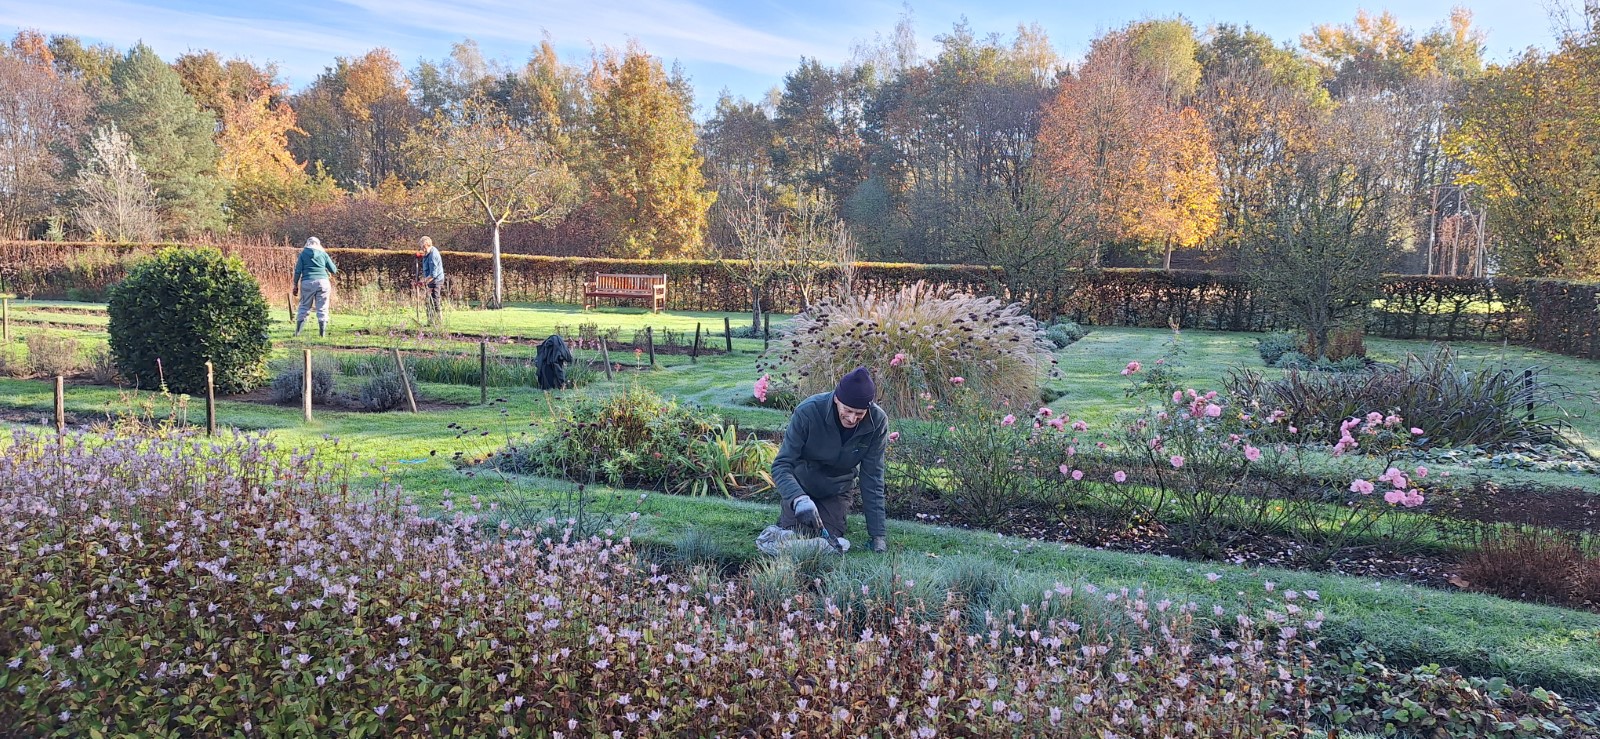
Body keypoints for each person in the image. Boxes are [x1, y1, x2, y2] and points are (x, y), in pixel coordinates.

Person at [762, 366, 890, 554]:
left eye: (860, 414)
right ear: (837, 399)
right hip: (802, 485)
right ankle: (791, 515)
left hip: (836, 489)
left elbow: (872, 477)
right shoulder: (808, 412)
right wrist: (798, 499)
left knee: (829, 540)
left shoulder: (877, 422)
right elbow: (782, 465)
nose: (853, 418)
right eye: (848, 410)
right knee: (796, 535)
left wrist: (878, 535)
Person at [292, 236, 338, 337]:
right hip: (323, 283)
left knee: (304, 307)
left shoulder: (303, 254)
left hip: (307, 282)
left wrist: (295, 284)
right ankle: (322, 334)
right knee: (322, 308)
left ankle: (298, 333)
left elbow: (298, 271)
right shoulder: (323, 254)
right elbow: (334, 270)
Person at [414, 236, 445, 325]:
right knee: (428, 301)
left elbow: (433, 275)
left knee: (435, 301)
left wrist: (422, 282)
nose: (422, 249)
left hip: (436, 281)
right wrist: (420, 255)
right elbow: (425, 254)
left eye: (423, 247)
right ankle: (430, 322)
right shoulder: (428, 251)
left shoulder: (433, 256)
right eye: (421, 248)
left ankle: (439, 322)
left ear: (427, 246)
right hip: (430, 280)